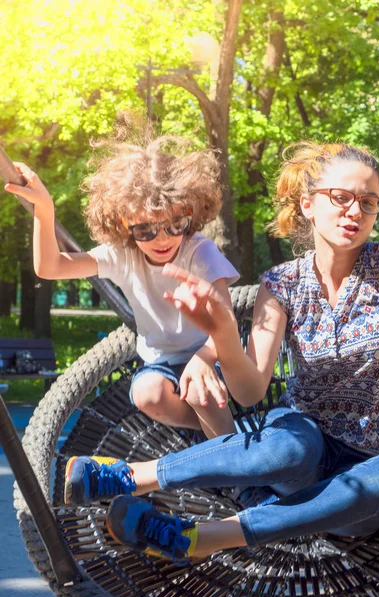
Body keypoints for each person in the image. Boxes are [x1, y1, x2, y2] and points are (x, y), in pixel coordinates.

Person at [62, 141, 379, 566]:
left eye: (369, 202)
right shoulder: (280, 283)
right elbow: (249, 391)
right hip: (297, 449)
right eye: (341, 198)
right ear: (309, 205)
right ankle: (131, 477)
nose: (354, 211)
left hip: (362, 482)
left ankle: (200, 536)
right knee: (293, 444)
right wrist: (223, 335)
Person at [4, 118, 240, 456]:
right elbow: (50, 267)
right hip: (161, 363)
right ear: (123, 223)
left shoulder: (198, 252)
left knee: (201, 390)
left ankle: (237, 464)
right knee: (147, 394)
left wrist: (204, 359)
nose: (162, 240)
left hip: (212, 354)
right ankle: (219, 439)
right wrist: (44, 209)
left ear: (190, 212)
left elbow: (226, 321)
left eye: (175, 225)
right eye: (145, 230)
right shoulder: (123, 256)